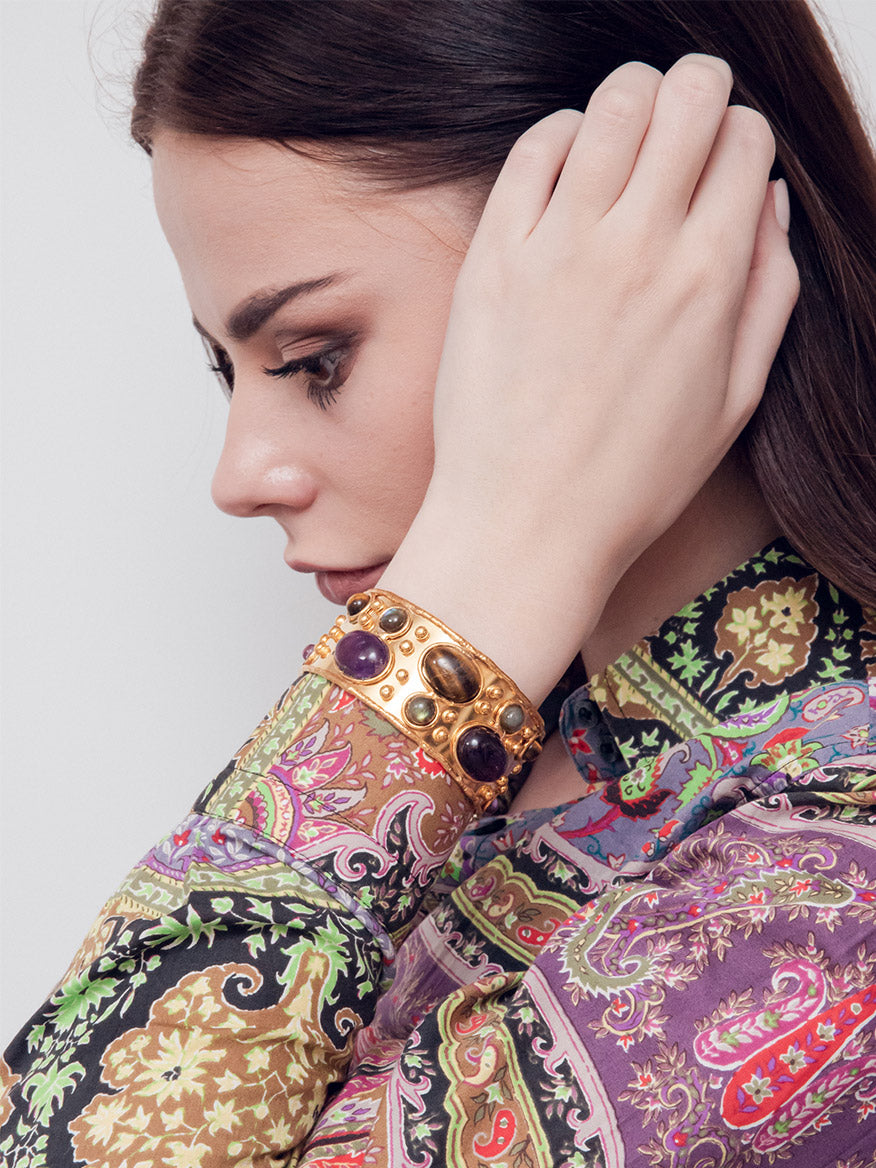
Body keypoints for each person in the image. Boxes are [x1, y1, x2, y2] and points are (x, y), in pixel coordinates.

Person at [3, 0, 876, 1164]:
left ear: (650, 252)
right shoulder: (531, 758)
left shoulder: (830, 879)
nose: (239, 473)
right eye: (229, 369)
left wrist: (491, 566)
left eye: (314, 359)